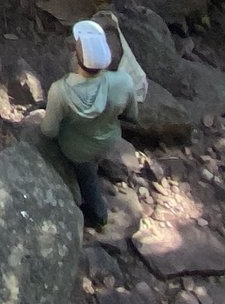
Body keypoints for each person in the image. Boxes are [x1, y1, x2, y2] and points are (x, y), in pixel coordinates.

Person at [38, 17, 149, 228]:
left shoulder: (60, 90)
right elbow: (132, 115)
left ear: (76, 57)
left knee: (86, 177)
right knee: (92, 161)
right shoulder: (124, 82)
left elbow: (49, 131)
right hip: (108, 139)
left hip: (76, 149)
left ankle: (97, 214)